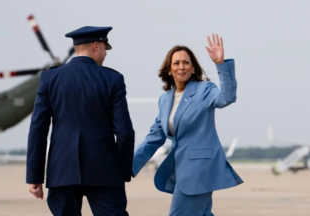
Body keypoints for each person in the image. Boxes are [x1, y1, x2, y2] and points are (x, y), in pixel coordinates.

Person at [26, 26, 135, 215]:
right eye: (104, 49)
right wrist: (122, 171)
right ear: (96, 46)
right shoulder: (113, 79)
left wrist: (34, 176)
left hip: (62, 172)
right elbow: (125, 133)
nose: (105, 54)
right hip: (105, 173)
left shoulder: (50, 78)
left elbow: (38, 129)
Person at [131, 34, 243, 216]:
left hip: (199, 170)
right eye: (176, 63)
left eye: (186, 62)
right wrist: (129, 166)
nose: (181, 67)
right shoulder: (165, 99)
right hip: (181, 170)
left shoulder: (204, 90)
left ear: (193, 68)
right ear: (169, 69)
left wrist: (220, 63)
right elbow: (155, 137)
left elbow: (227, 98)